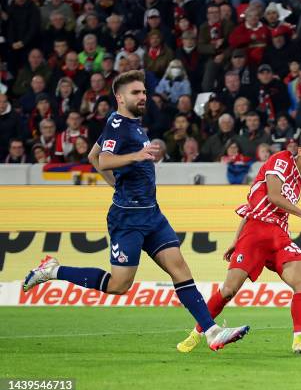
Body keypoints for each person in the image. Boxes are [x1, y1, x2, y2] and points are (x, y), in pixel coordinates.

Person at [23, 70, 249, 351]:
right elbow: (103, 160)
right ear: (119, 97)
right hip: (127, 219)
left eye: (143, 92)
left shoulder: (128, 123)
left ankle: (212, 332)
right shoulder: (119, 126)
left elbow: (93, 156)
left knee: (179, 269)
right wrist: (135, 157)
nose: (143, 97)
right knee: (119, 285)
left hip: (151, 214)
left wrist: (117, 185)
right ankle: (53, 270)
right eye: (135, 93)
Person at [177, 129, 301, 354]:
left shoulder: (298, 183)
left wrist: (234, 238)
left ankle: (300, 338)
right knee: (229, 290)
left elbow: (254, 206)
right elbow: (273, 196)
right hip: (257, 233)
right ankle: (196, 334)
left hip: (278, 236)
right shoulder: (282, 160)